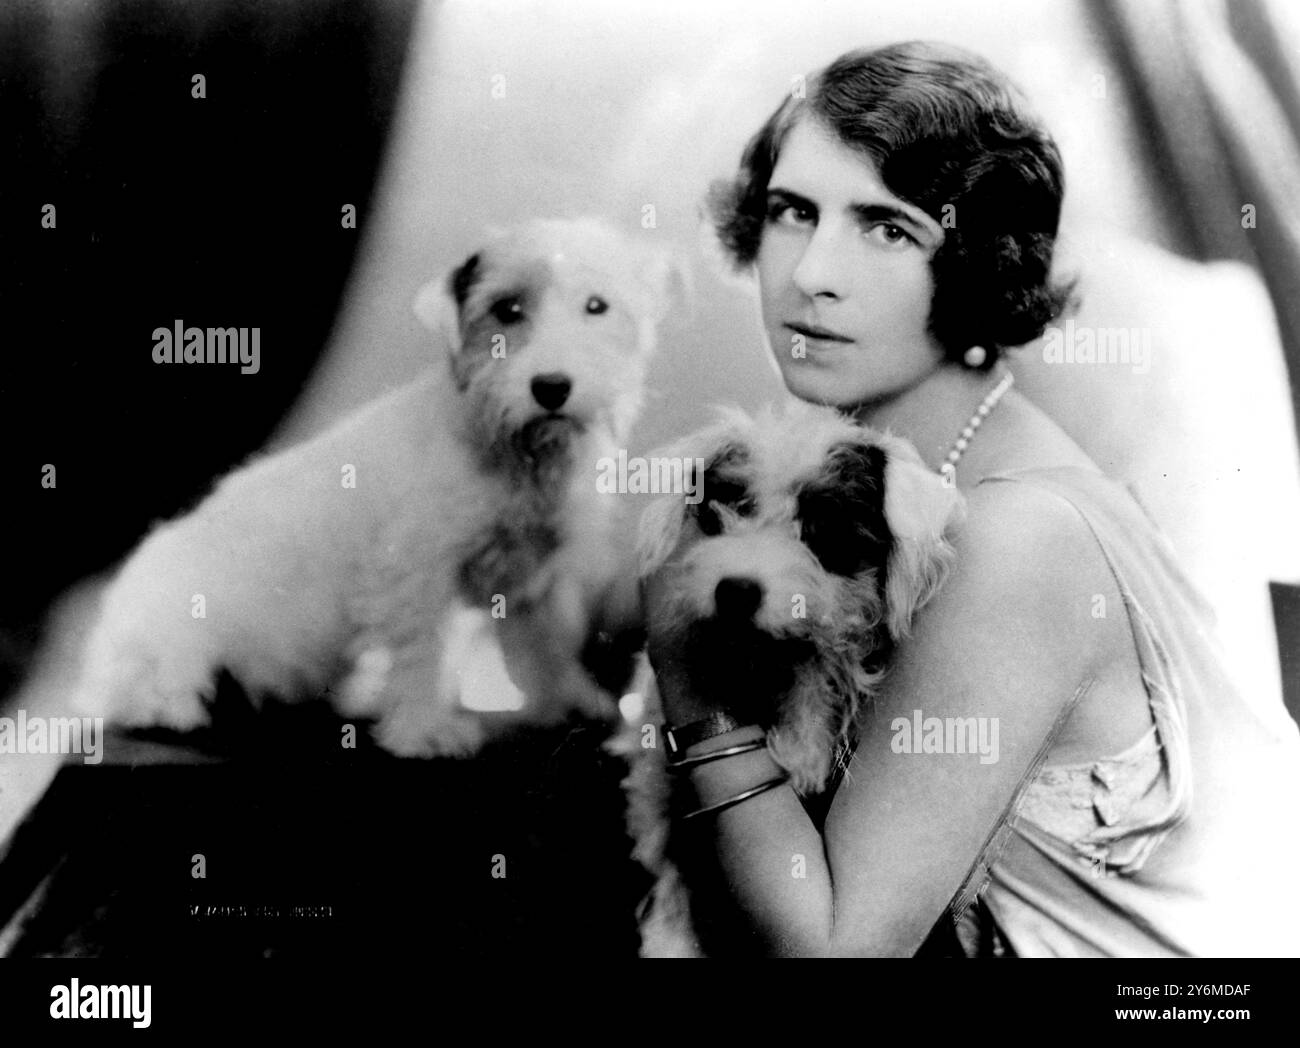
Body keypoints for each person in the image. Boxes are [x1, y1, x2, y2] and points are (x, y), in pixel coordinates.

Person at [640, 40, 1300, 957]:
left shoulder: (1012, 534)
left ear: (976, 262)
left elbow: (833, 949)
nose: (811, 272)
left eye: (887, 228)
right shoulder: (906, 477)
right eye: (794, 212)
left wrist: (688, 673)